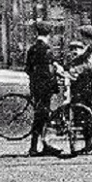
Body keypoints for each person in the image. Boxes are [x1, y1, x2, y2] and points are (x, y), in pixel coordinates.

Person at [25, 21, 62, 157]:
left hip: (36, 86)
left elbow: (28, 69)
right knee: (42, 116)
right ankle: (35, 147)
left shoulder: (32, 49)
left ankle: (41, 145)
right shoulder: (46, 49)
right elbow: (49, 71)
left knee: (41, 115)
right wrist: (55, 83)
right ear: (49, 34)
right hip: (45, 87)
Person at [66, 24, 92, 154]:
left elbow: (89, 64)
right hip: (86, 86)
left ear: (85, 36)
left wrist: (76, 69)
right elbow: (80, 59)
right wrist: (70, 64)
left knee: (90, 116)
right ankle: (89, 145)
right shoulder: (89, 48)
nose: (79, 38)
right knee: (86, 115)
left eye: (80, 36)